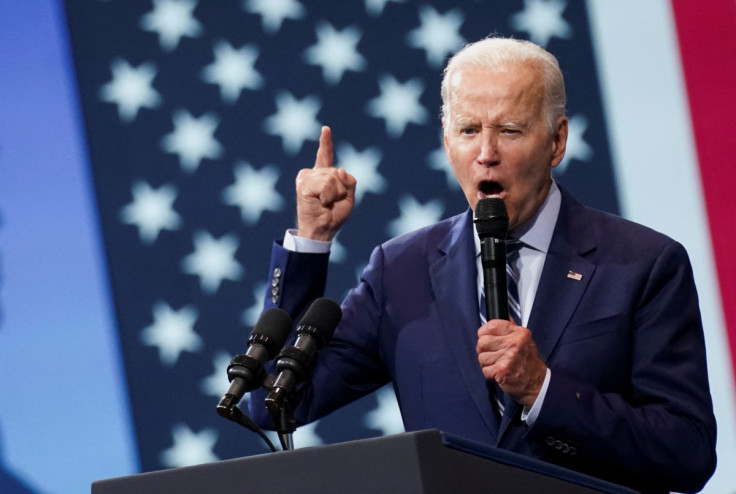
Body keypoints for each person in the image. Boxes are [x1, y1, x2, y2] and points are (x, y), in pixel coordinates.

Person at [250, 37, 716, 493]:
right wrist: (312, 241)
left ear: (556, 141)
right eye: (469, 130)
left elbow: (688, 454)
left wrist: (543, 390)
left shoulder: (643, 264)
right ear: (447, 141)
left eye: (509, 130)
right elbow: (274, 402)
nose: (486, 152)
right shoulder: (401, 270)